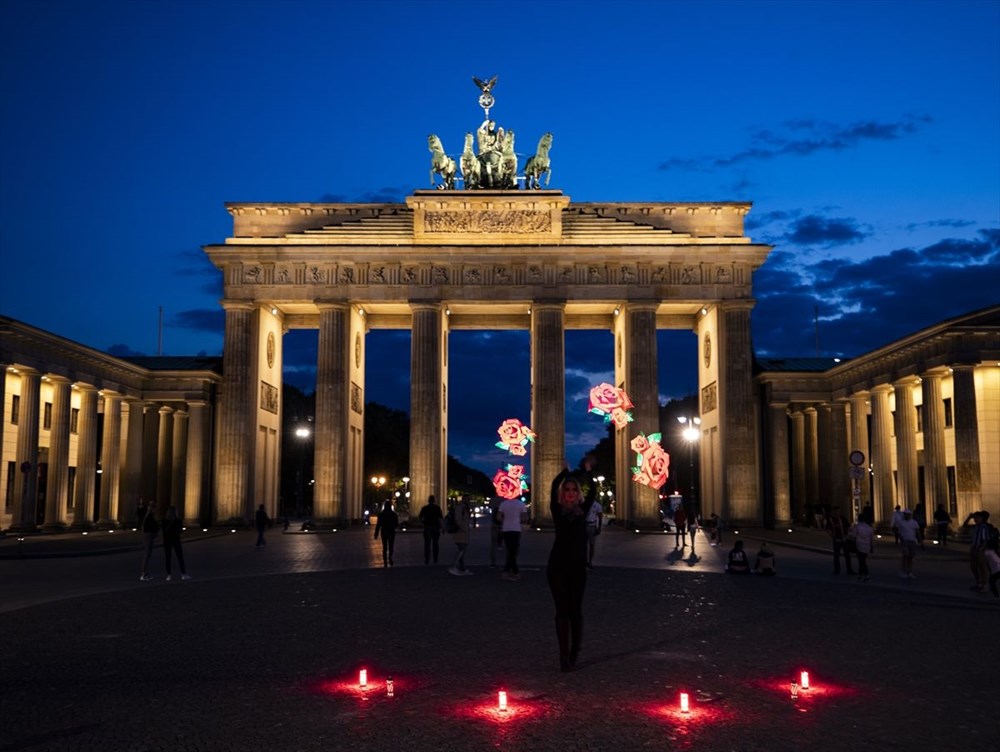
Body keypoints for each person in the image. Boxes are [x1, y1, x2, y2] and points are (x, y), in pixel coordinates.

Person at [547, 459, 597, 671]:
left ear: (578, 493)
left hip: (577, 567)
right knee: (561, 611)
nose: (570, 492)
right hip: (557, 567)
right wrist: (564, 472)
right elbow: (551, 489)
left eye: (573, 489)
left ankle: (575, 650)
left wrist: (587, 473)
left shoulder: (583, 510)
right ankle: (563, 655)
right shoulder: (556, 510)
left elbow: (593, 491)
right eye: (566, 489)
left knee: (575, 610)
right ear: (563, 492)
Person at [964, 510, 995, 592]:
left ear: (982, 519)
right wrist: (969, 518)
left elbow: (985, 540)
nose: (975, 519)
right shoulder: (976, 527)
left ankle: (984, 585)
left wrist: (981, 549)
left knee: (982, 567)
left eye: (977, 518)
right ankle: (979, 583)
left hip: (980, 549)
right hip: (974, 548)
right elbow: (965, 526)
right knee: (974, 567)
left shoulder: (984, 527)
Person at [498, 493, 525, 580]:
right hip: (516, 529)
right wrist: (518, 520)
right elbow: (524, 518)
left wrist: (505, 521)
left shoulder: (503, 504)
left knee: (510, 550)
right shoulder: (521, 504)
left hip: (506, 529)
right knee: (513, 551)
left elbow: (498, 517)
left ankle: (508, 571)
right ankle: (513, 572)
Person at [161, 505, 191, 581]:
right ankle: (183, 574)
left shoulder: (164, 521)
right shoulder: (178, 520)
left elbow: (163, 531)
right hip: (175, 540)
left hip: (167, 540)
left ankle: (169, 575)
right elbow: (179, 531)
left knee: (168, 558)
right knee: (180, 557)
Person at [825, 506, 856, 576]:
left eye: (839, 511)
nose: (838, 513)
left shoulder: (843, 519)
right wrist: (832, 535)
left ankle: (849, 569)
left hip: (844, 539)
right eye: (837, 511)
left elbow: (849, 526)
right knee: (836, 555)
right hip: (837, 539)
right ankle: (837, 570)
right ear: (834, 512)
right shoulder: (831, 520)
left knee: (847, 555)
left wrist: (848, 534)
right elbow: (827, 529)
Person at [448, 494, 473, 576]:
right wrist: (464, 528)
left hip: (462, 531)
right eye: (468, 499)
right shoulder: (461, 507)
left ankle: (461, 568)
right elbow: (458, 519)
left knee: (462, 550)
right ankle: (454, 566)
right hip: (461, 532)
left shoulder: (464, 507)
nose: (469, 501)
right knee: (462, 550)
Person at [417, 494, 443, 565]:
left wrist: (423, 522)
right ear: (434, 501)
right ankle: (435, 559)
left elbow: (420, 517)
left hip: (427, 527)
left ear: (428, 501)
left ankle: (427, 559)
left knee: (427, 544)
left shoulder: (425, 508)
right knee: (435, 544)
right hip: (435, 527)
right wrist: (442, 527)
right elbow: (440, 518)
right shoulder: (437, 508)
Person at [373, 499, 399, 567]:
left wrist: (376, 534)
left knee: (384, 547)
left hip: (384, 531)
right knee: (391, 546)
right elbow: (396, 524)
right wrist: (393, 526)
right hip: (391, 531)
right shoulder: (393, 514)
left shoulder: (381, 514)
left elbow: (378, 524)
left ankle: (385, 561)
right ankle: (390, 557)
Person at [896, 508, 920, 579]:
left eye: (908, 514)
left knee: (911, 557)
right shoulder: (901, 522)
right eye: (905, 514)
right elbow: (897, 531)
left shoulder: (914, 522)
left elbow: (917, 532)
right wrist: (900, 537)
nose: (906, 516)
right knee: (905, 556)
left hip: (912, 541)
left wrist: (920, 541)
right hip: (905, 541)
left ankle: (909, 571)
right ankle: (904, 571)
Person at [139, 499, 158, 581]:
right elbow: (150, 527)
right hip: (149, 536)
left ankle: (144, 573)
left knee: (147, 555)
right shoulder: (149, 517)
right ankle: (143, 574)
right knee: (147, 555)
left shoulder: (148, 516)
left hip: (149, 536)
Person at [852, 513, 875, 582]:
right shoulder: (870, 528)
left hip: (859, 545)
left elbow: (853, 536)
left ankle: (866, 574)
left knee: (861, 561)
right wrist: (872, 547)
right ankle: (860, 574)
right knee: (862, 560)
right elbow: (871, 539)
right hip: (867, 545)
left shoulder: (857, 526)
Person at [585, 495, 603, 568]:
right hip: (584, 525)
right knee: (583, 545)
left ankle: (590, 561)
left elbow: (600, 516)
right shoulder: (584, 504)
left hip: (592, 525)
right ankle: (585, 560)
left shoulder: (597, 505)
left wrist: (599, 528)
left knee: (592, 545)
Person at [489, 495, 504, 567]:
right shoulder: (505, 500)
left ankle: (493, 562)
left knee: (493, 543)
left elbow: (490, 507)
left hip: (494, 523)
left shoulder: (493, 499)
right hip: (503, 524)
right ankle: (506, 563)